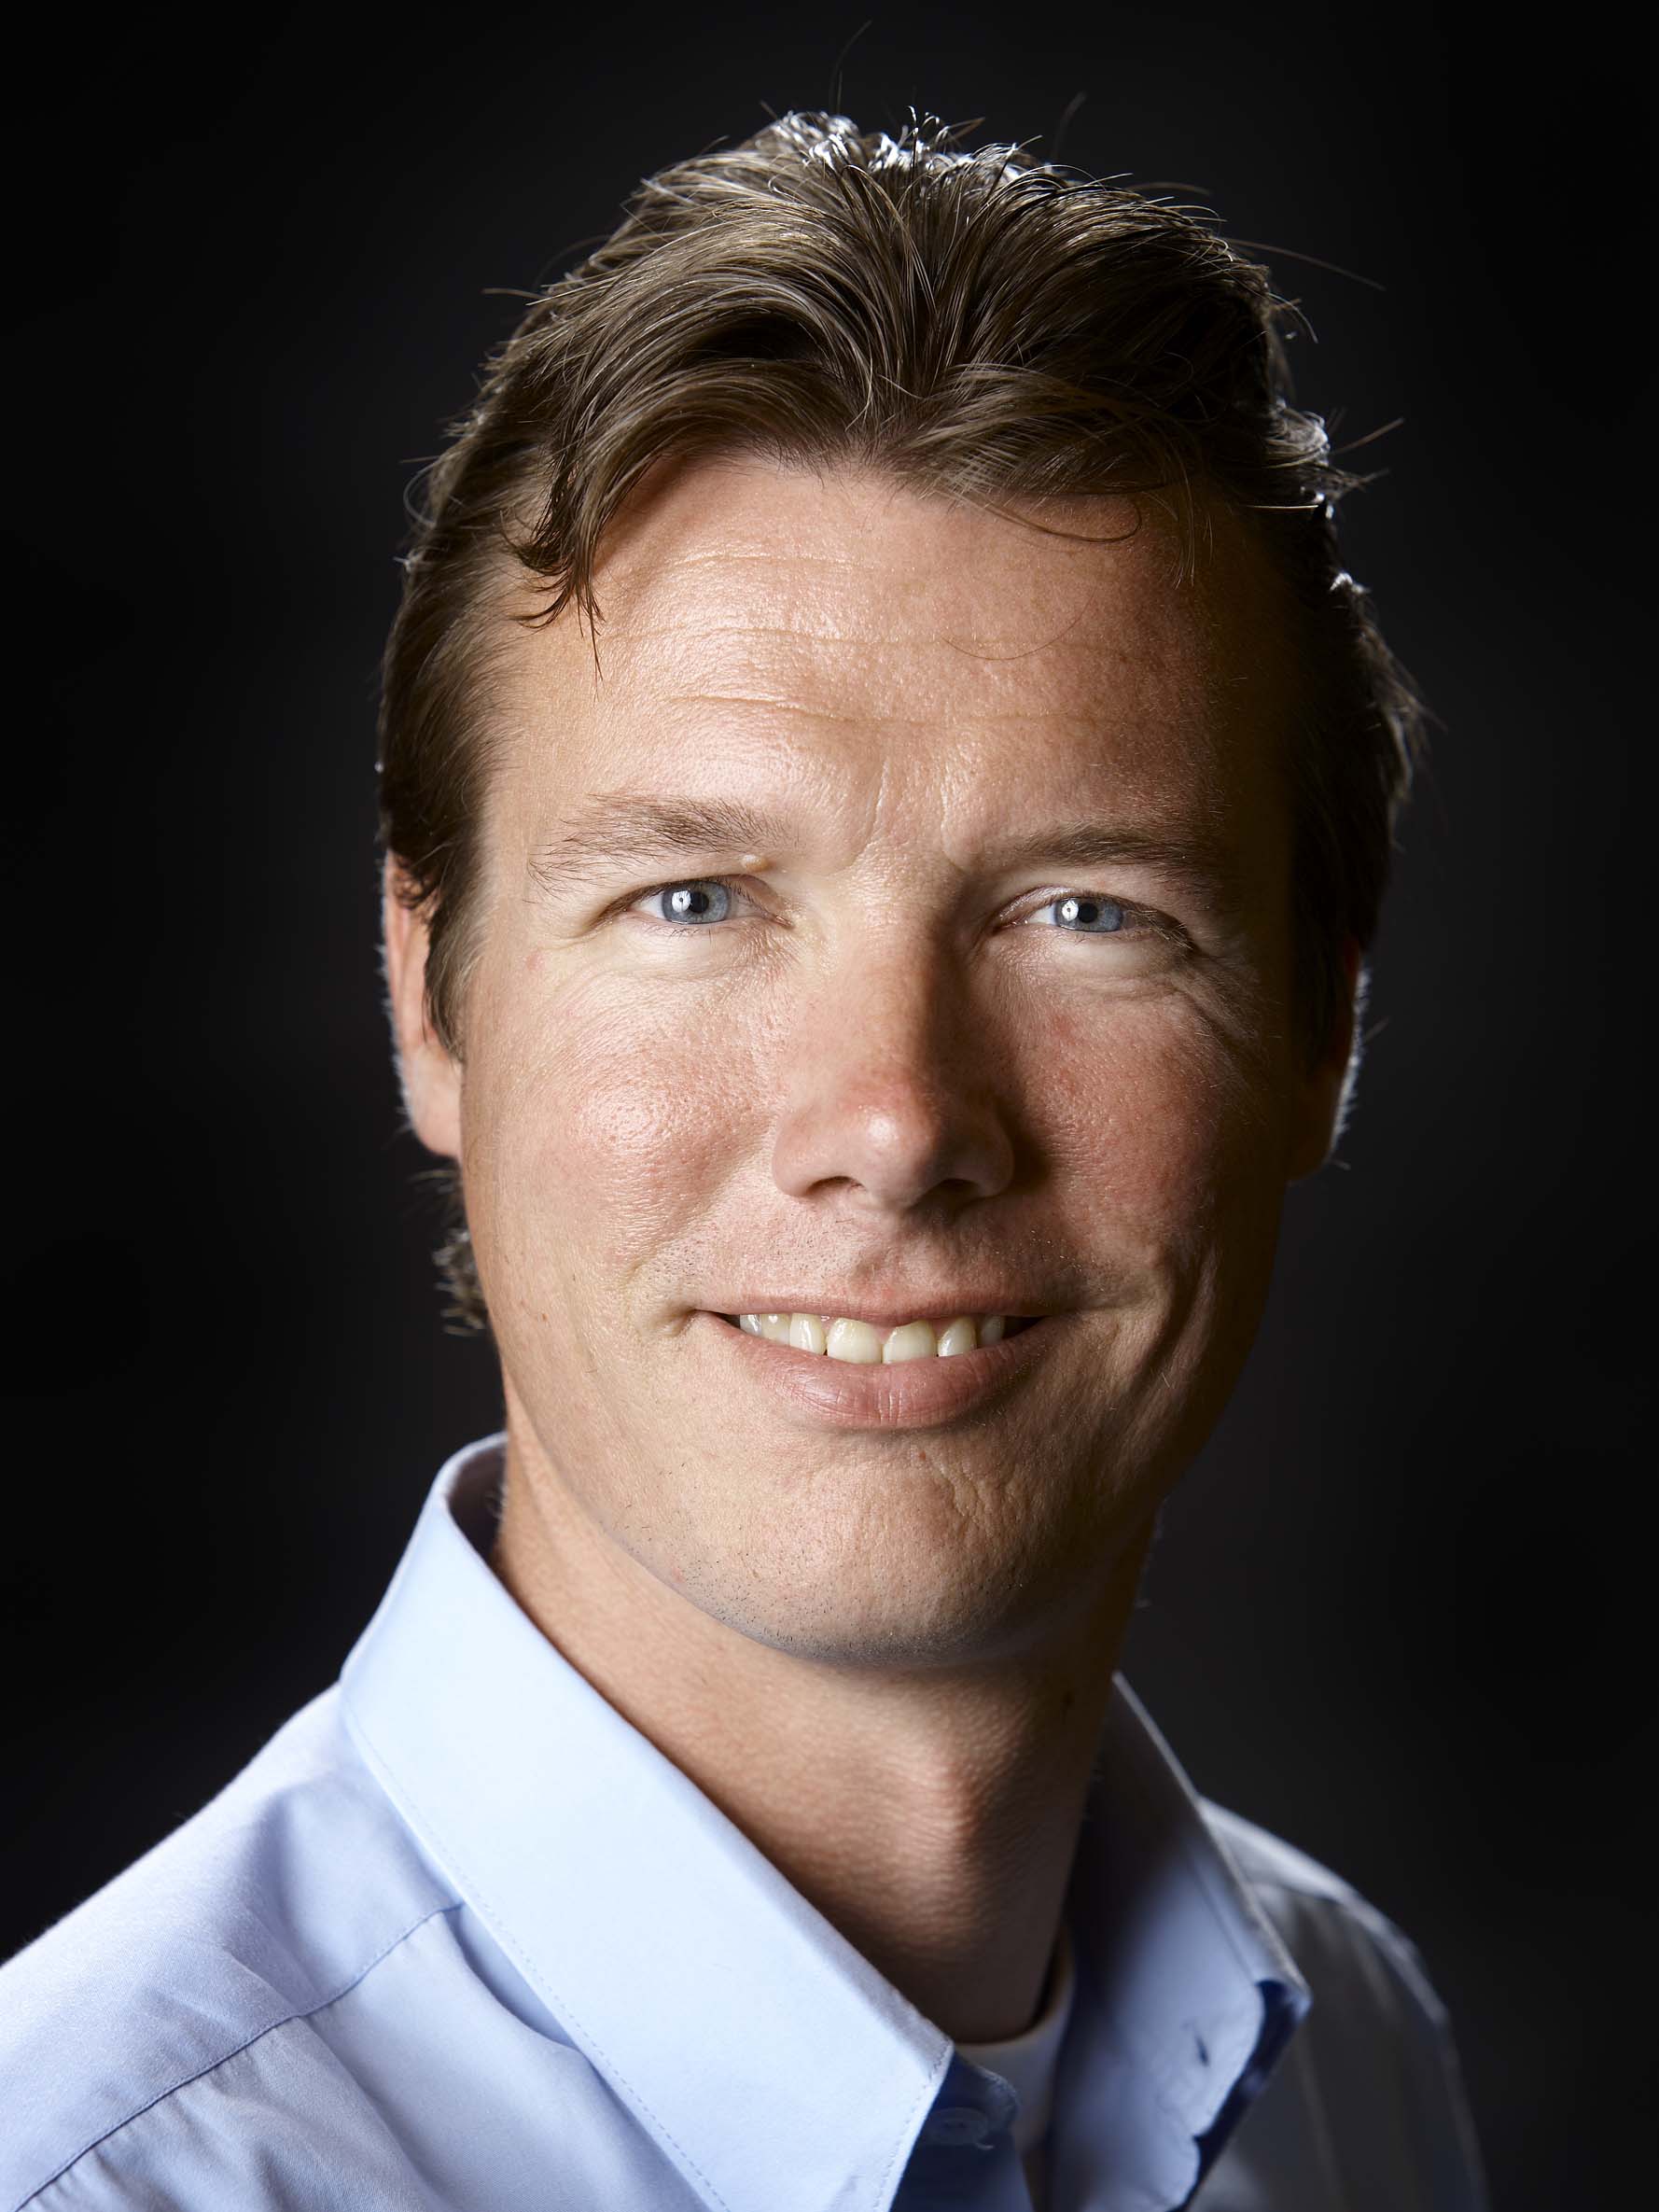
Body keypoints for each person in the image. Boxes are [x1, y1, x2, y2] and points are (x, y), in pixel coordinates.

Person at [0, 112, 1488, 2211]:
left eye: (1088, 911)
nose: (895, 1123)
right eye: (692, 898)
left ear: (1325, 1021)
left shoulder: (1356, 2072)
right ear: (429, 997)